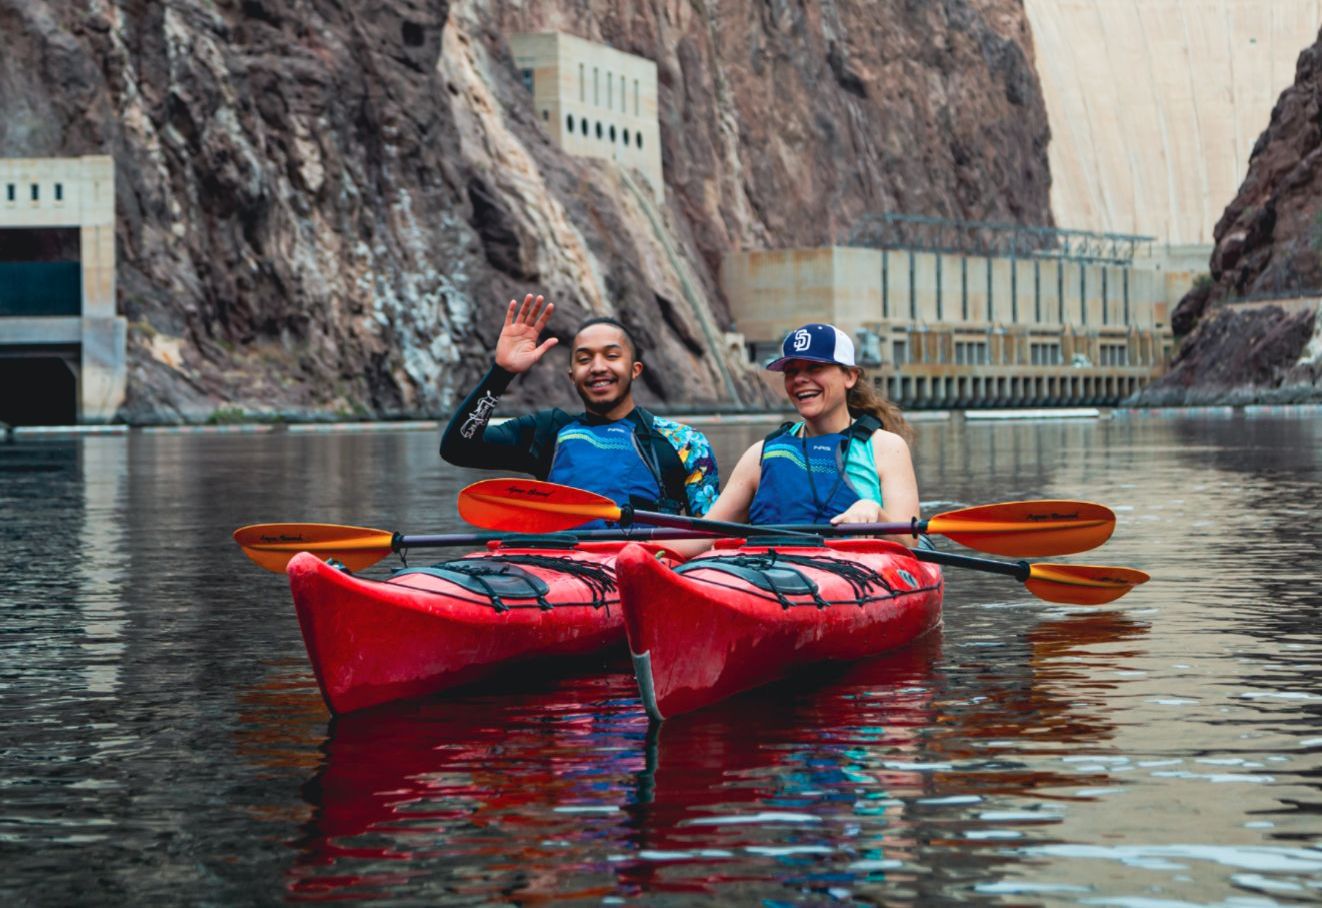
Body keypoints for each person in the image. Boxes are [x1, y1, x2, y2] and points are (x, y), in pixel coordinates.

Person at [440, 294, 719, 524]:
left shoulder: (686, 443)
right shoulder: (548, 431)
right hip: (561, 570)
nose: (598, 367)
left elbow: (710, 538)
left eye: (612, 356)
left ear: (635, 370)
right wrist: (501, 373)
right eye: (584, 359)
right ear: (572, 375)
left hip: (648, 565)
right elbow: (457, 448)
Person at [674, 322, 918, 553]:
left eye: (815, 368)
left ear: (850, 376)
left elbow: (909, 544)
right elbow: (704, 535)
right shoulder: (760, 454)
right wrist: (640, 550)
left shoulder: (885, 447)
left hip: (855, 577)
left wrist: (875, 512)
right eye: (791, 371)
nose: (799, 379)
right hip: (766, 574)